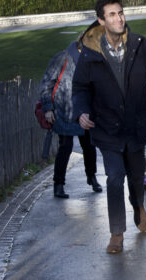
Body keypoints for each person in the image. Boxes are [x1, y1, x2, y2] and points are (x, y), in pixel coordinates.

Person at [72, 0, 146, 254]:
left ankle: (138, 206)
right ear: (101, 20)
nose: (119, 18)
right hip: (106, 128)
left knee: (136, 177)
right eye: (112, 14)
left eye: (121, 12)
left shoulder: (139, 45)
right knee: (114, 177)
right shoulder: (90, 53)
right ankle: (117, 232)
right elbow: (80, 87)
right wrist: (81, 111)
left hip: (136, 126)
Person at [38, 41, 101, 198]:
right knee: (65, 147)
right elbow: (47, 84)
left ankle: (92, 177)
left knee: (89, 146)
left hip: (85, 111)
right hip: (63, 111)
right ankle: (58, 184)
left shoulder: (92, 61)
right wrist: (48, 108)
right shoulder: (62, 58)